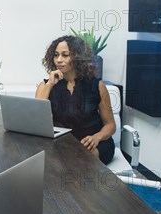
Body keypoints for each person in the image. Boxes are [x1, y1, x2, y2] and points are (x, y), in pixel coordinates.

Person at [35, 35, 116, 164]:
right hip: (61, 145)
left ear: (77, 57)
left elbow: (110, 125)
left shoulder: (97, 85)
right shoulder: (45, 85)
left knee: (85, 158)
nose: (59, 60)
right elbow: (36, 116)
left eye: (65, 55)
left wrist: (97, 137)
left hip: (92, 144)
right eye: (56, 55)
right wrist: (50, 84)